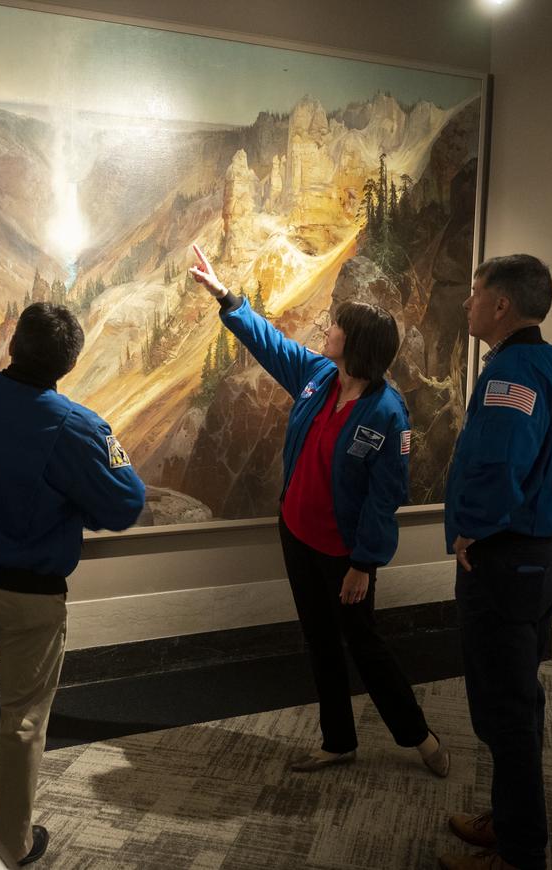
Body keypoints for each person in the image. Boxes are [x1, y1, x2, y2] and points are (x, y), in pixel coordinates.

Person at [189, 244, 450, 779]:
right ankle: (338, 742)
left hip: (344, 555)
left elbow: (385, 499)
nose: (325, 330)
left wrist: (364, 563)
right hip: (298, 535)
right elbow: (269, 343)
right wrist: (225, 296)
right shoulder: (318, 377)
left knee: (365, 644)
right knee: (320, 640)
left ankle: (419, 737)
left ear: (356, 345)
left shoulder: (387, 412)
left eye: (335, 327)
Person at [0, 302, 146, 866]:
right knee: (21, 724)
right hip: (31, 599)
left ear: (13, 344)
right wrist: (70, 503)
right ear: (68, 364)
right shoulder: (78, 429)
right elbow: (126, 502)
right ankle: (10, 847)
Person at [440, 255, 552, 870]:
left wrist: (468, 533)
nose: (467, 303)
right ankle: (510, 819)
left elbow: (495, 466)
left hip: (508, 568)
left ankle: (519, 852)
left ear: (501, 306)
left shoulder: (509, 376)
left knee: (504, 710)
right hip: (551, 562)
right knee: (520, 699)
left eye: (475, 292)